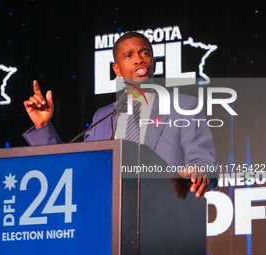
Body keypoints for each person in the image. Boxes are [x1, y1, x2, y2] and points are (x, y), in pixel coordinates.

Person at [23, 32, 217, 198]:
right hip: (106, 221)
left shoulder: (184, 106)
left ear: (153, 62)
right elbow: (74, 171)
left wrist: (200, 173)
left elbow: (205, 164)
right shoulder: (104, 116)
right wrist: (43, 126)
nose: (139, 59)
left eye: (145, 53)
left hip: (162, 220)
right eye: (129, 55)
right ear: (117, 69)